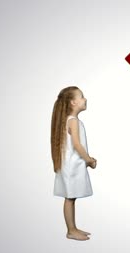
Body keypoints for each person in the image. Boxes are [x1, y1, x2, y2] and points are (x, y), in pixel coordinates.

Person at [50, 86, 97, 241]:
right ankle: (71, 230)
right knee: (70, 198)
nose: (85, 99)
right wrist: (89, 160)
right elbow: (77, 145)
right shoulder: (73, 121)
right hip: (72, 167)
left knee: (71, 198)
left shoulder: (67, 120)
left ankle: (73, 228)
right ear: (73, 102)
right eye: (82, 96)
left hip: (70, 166)